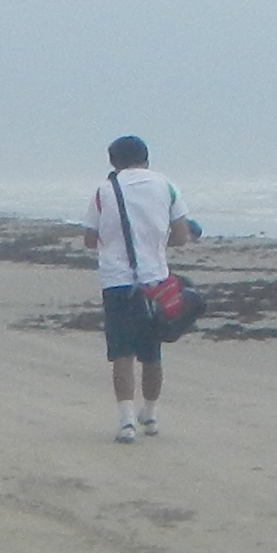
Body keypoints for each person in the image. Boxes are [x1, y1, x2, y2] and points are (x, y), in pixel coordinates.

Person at [80, 134, 197, 443]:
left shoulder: (104, 191)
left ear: (113, 162)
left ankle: (126, 421)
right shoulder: (166, 185)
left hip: (117, 281)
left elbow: (90, 239)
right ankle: (152, 414)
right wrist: (157, 245)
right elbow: (183, 235)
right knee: (152, 352)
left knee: (121, 351)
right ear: (146, 158)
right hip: (156, 280)